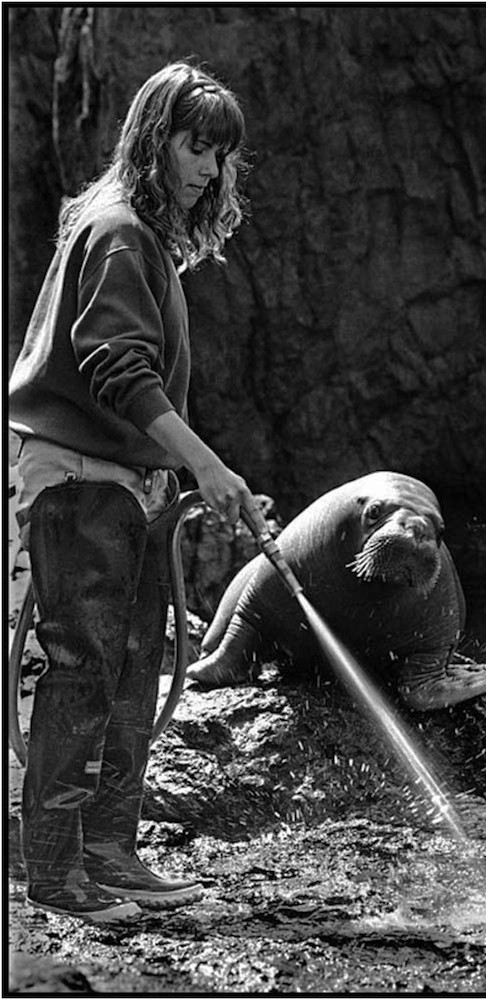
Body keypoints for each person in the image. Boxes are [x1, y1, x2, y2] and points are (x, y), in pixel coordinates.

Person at [9, 60, 257, 924]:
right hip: (80, 483)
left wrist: (172, 474)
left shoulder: (138, 236)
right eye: (196, 148)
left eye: (221, 156)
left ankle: (110, 853)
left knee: (133, 667)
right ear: (155, 140)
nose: (210, 171)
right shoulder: (118, 231)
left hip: (124, 484)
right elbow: (119, 372)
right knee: (84, 668)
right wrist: (209, 466)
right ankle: (54, 874)